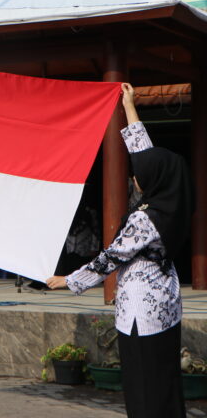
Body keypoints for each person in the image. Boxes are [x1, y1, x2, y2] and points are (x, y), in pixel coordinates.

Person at [47, 83, 193, 418]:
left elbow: (111, 257)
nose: (134, 177)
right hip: (165, 303)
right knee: (163, 378)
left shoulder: (145, 218)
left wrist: (69, 281)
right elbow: (148, 156)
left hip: (141, 308)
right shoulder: (173, 203)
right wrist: (129, 105)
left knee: (143, 382)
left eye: (138, 174)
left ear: (152, 179)